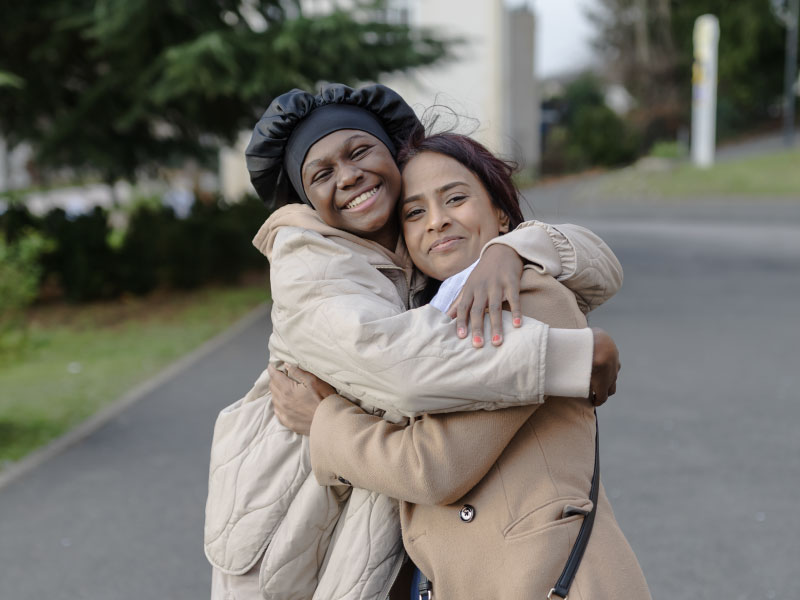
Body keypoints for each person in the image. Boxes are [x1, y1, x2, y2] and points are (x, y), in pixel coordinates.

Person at [205, 84, 625, 599]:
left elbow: (601, 267)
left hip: (514, 568)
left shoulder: (481, 287)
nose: (349, 174)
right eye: (416, 211)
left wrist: (514, 247)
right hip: (292, 524)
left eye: (359, 151)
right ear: (306, 199)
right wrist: (574, 357)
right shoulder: (309, 264)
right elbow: (400, 369)